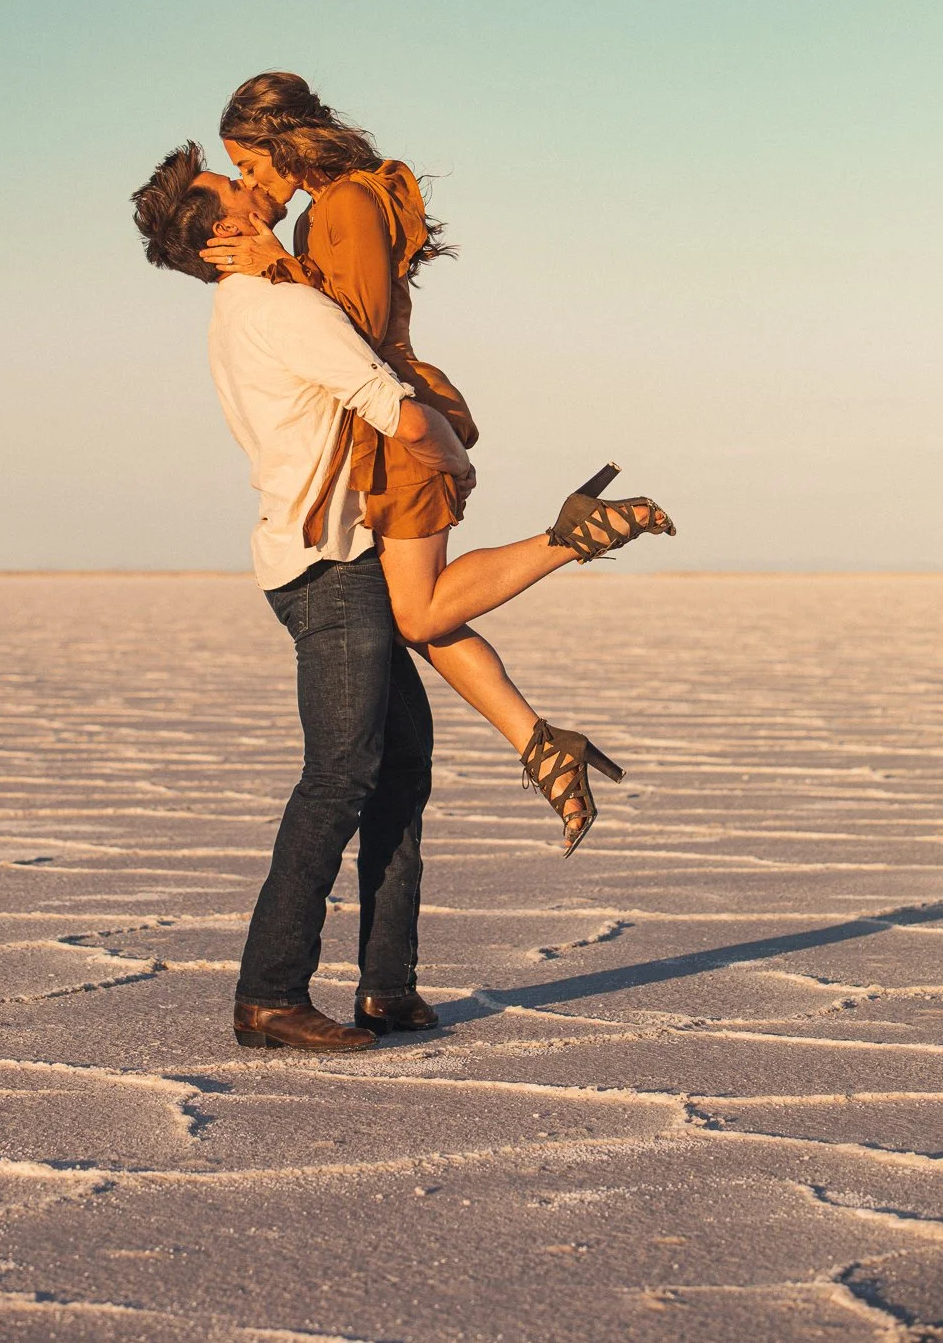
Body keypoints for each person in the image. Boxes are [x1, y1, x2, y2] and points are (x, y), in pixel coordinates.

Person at [202, 72, 675, 853]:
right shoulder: (324, 211)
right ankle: (540, 744)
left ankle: (571, 535)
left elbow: (355, 327)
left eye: (248, 163)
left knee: (418, 612)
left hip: (396, 427)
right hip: (375, 428)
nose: (250, 180)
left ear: (281, 143)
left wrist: (274, 269)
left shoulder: (344, 203)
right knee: (421, 610)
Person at [131, 146, 474, 1052]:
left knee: (399, 770)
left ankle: (386, 987)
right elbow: (390, 406)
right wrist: (456, 457)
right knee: (339, 778)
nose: (256, 186)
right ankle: (269, 994)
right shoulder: (281, 307)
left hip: (330, 564)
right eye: (234, 188)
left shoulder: (245, 306)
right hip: (330, 571)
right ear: (224, 235)